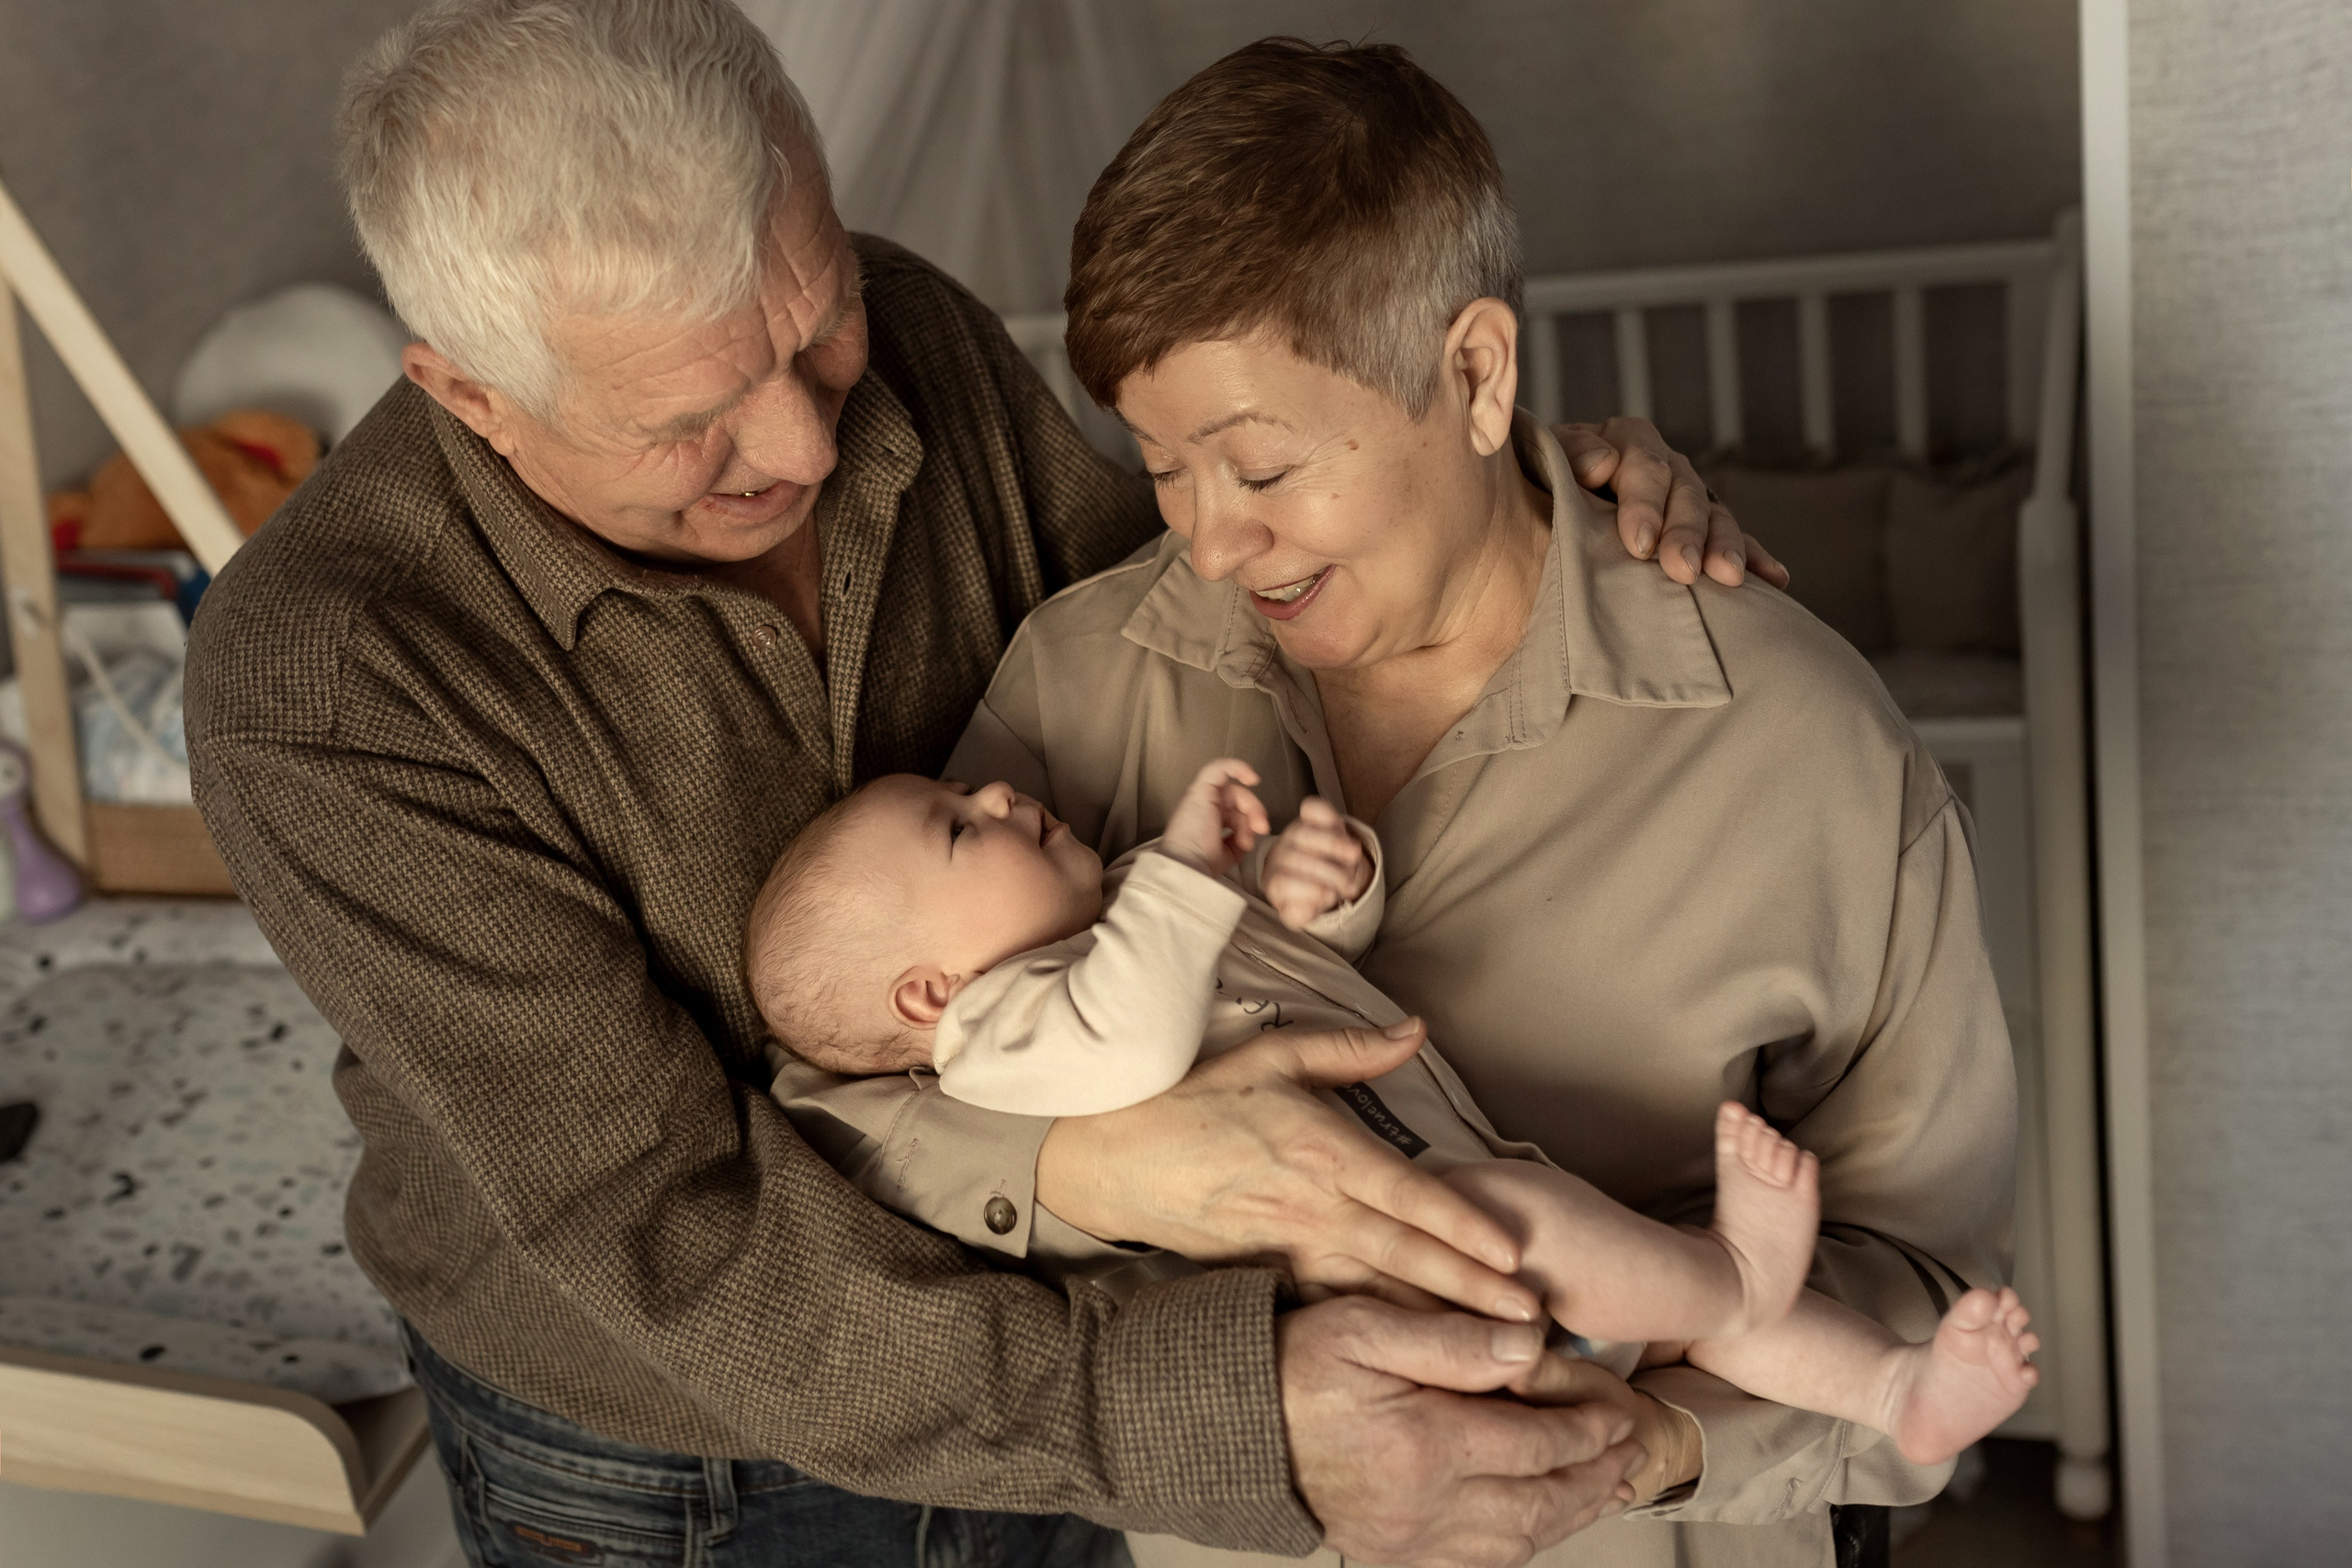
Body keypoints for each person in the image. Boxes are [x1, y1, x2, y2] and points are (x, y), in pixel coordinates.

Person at [184, 4, 1778, 1565]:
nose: (809, 444)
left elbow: (1183, 630)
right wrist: (1211, 1407)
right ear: (471, 394)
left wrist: (1489, 494)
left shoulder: (922, 340)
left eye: (816, 332)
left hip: (1075, 1309)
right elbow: (663, 1217)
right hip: (675, 1465)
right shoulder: (331, 680)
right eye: (693, 425)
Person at [781, 35, 2020, 1568]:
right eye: (1162, 468)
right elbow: (848, 1102)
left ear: (1478, 373)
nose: (1213, 545)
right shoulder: (1080, 679)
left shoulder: (1811, 753)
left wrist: (1661, 1442)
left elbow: (1932, 1272)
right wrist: (1094, 1169)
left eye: (1260, 466)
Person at [744, 759, 2041, 1473]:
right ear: (930, 991)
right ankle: (1742, 1279)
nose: (1002, 796)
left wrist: (1322, 894)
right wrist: (1191, 871)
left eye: (969, 794)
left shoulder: (1127, 909)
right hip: (1418, 1273)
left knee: (1653, 1312)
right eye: (962, 833)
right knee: (1585, 1243)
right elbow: (1131, 1031)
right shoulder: (997, 1034)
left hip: (1451, 1185)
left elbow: (1275, 963)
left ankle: (1894, 1392)